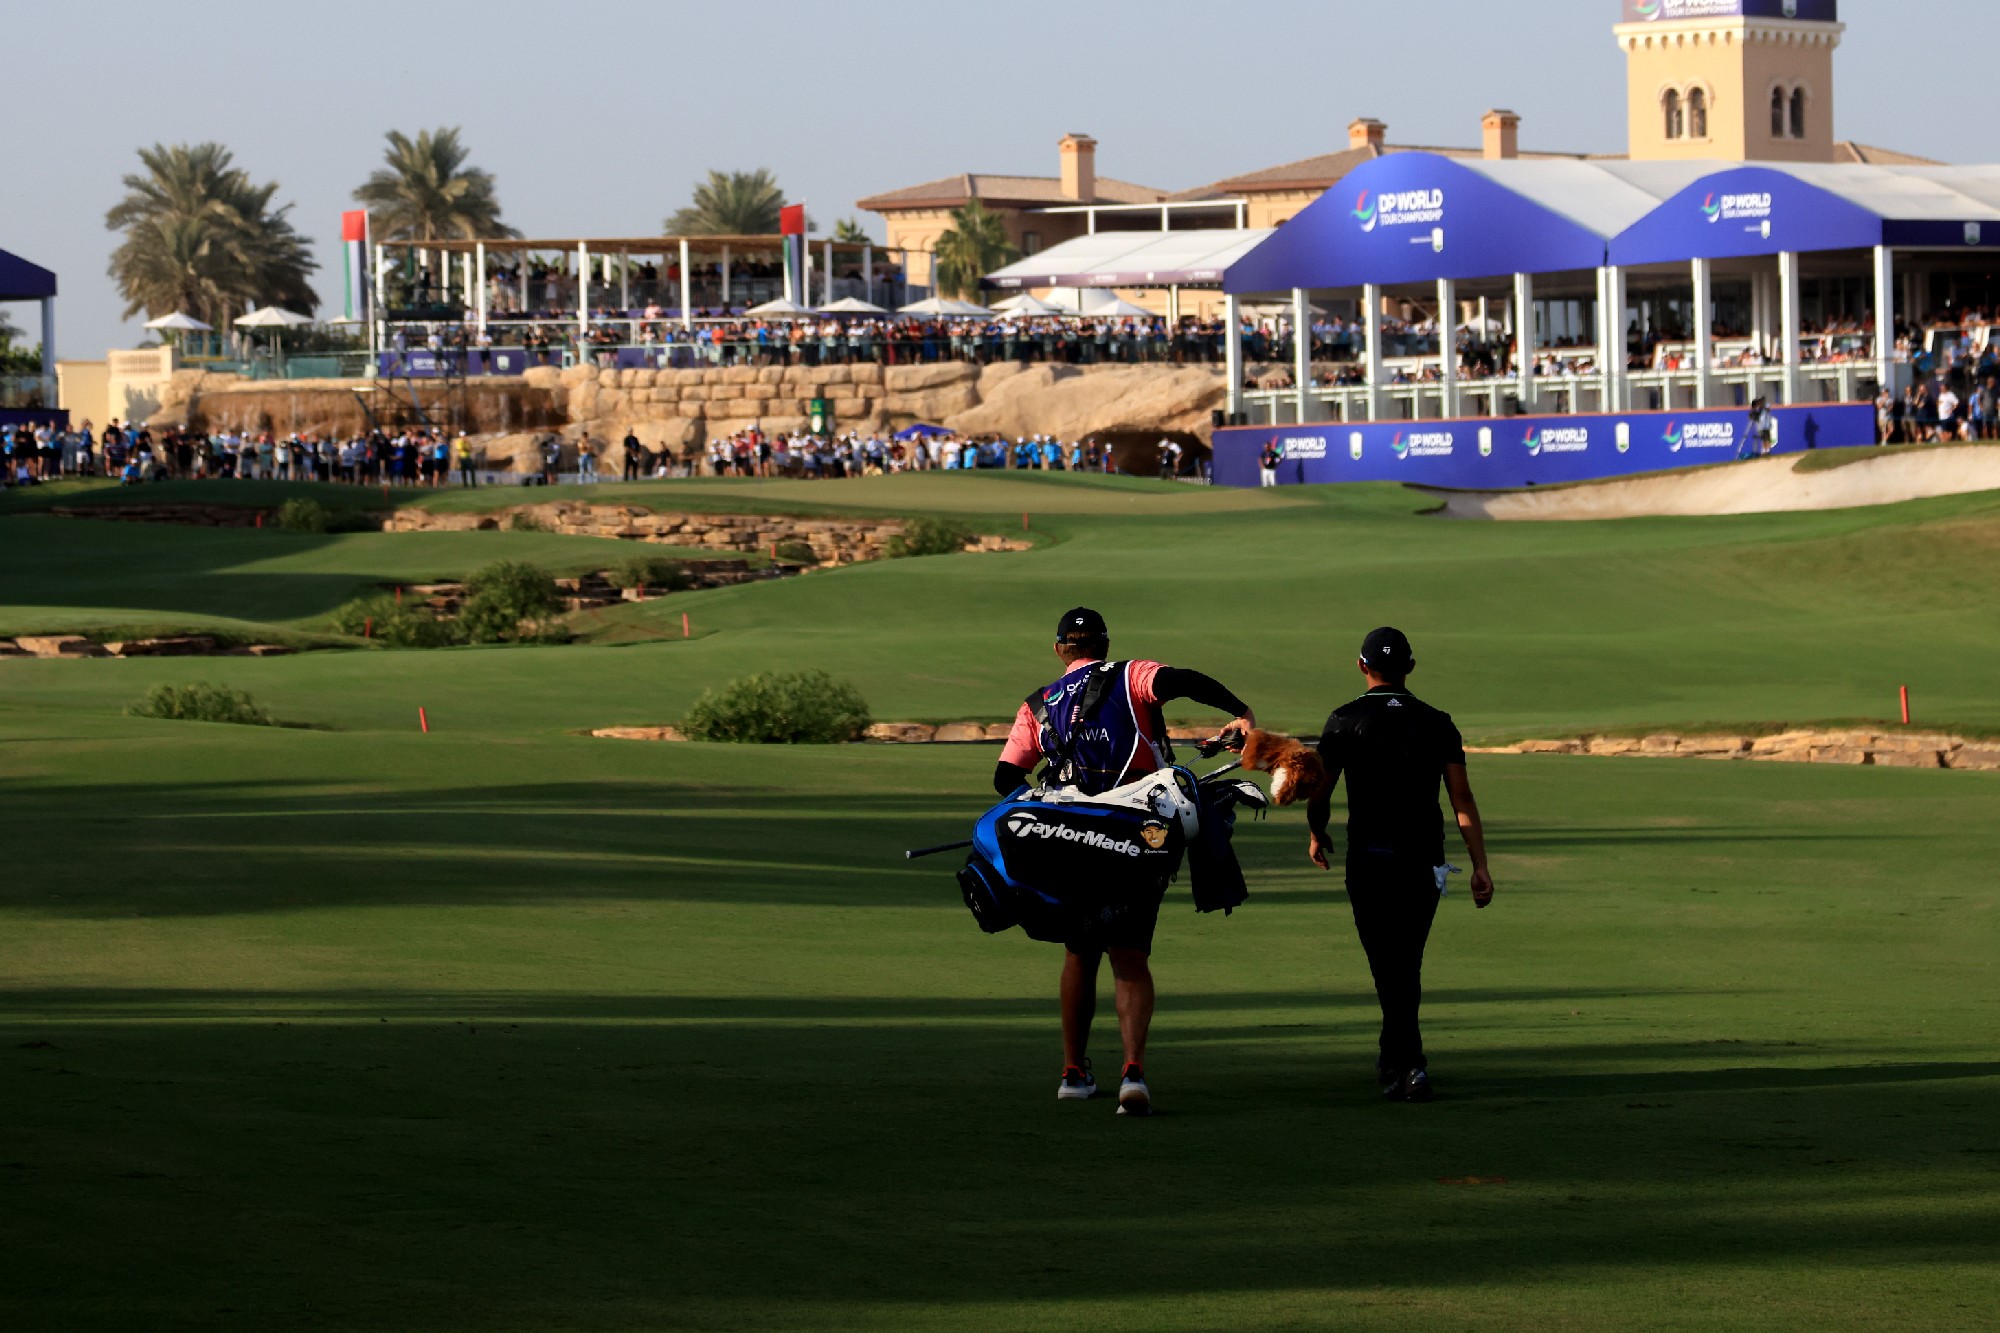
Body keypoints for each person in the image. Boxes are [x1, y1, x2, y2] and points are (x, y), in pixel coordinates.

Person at [992, 607, 1258, 1117]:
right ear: (1105, 645)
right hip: (1136, 838)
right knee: (1129, 953)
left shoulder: (1038, 704)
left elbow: (1006, 778)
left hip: (1070, 841)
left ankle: (1073, 1072)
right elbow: (1184, 681)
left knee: (1079, 952)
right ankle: (1132, 1074)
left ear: (1059, 650)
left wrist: (1045, 806)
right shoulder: (1132, 674)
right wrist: (1239, 709)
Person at [1304, 627, 1493, 1104]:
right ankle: (1396, 1057)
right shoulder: (1438, 722)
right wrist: (1480, 865)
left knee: (1389, 962)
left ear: (1362, 666)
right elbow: (1462, 799)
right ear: (1410, 667)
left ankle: (1410, 1065)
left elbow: (1320, 792)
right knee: (1405, 959)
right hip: (1425, 860)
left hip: (1369, 858)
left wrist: (1317, 831)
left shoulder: (1344, 720)